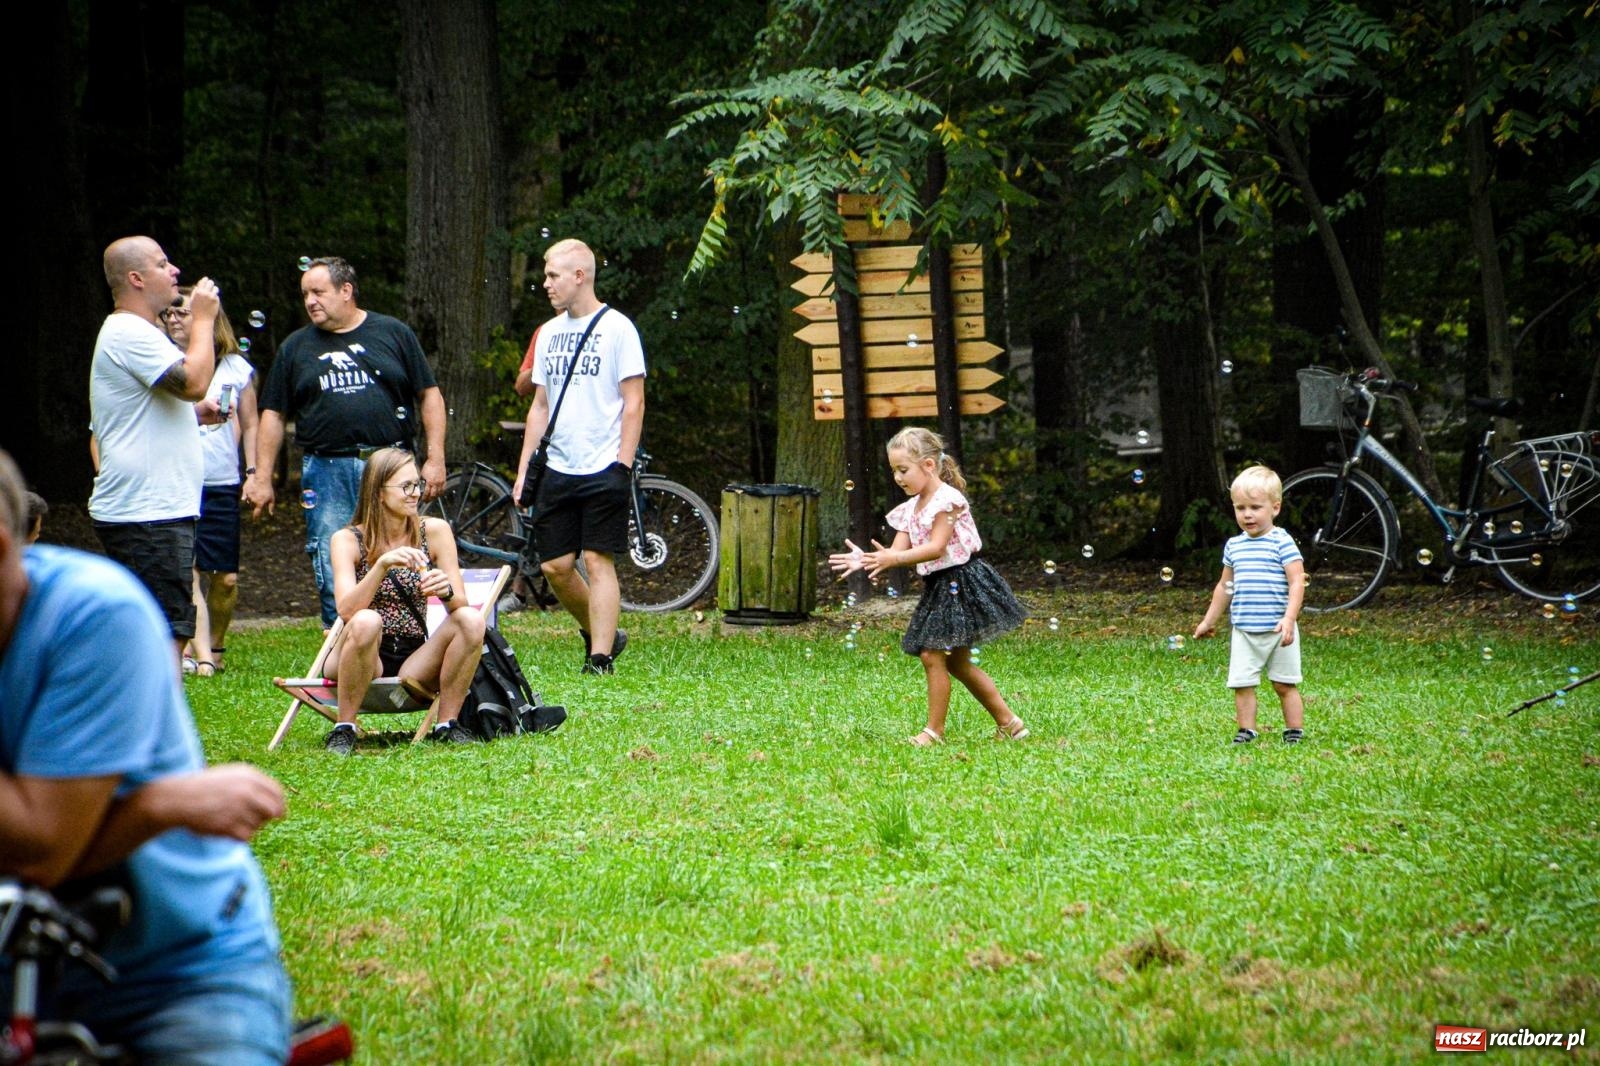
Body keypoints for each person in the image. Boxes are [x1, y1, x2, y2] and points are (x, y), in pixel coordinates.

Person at [0, 448, 292, 1064]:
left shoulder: (90, 614)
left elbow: (44, 849)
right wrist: (160, 803)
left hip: (173, 967)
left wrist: (154, 807)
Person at [244, 256, 446, 629]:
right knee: (329, 551)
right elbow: (273, 414)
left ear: (346, 291)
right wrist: (261, 476)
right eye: (305, 294)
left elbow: (429, 395)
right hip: (327, 469)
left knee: (407, 548)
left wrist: (435, 458)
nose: (310, 301)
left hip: (391, 465)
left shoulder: (394, 333)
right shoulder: (295, 348)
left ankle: (410, 634)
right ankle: (338, 636)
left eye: (318, 292)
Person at [828, 427, 1029, 745]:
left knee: (932, 655)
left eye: (903, 469)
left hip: (962, 581)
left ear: (929, 465)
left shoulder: (948, 501)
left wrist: (893, 561)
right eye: (894, 470)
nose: (897, 477)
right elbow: (895, 551)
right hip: (940, 585)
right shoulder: (910, 509)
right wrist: (866, 560)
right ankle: (1010, 723)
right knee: (958, 662)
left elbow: (936, 547)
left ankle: (933, 732)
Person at [511, 239, 645, 675]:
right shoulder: (548, 334)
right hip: (558, 466)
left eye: (553, 275)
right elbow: (540, 407)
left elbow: (634, 401)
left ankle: (600, 657)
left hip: (605, 463)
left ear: (579, 276)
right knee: (554, 565)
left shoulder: (618, 328)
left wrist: (622, 465)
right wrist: (523, 469)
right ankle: (603, 631)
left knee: (596, 559)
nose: (545, 283)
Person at [88, 236, 223, 662]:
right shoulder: (129, 331)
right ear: (136, 279)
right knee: (166, 630)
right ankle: (152, 723)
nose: (175, 271)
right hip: (146, 512)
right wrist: (203, 320)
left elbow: (172, 398)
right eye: (163, 264)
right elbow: (193, 382)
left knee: (167, 624)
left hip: (153, 509)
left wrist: (193, 414)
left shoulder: (137, 332)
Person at [321, 447, 485, 754]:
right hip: (361, 651)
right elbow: (345, 610)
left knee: (471, 619)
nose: (415, 494)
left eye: (417, 485)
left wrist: (446, 589)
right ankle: (344, 727)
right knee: (368, 619)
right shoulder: (347, 540)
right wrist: (381, 565)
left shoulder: (434, 531)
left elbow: (459, 602)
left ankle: (446, 724)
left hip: (413, 656)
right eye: (406, 486)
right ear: (378, 493)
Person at [164, 289, 258, 676]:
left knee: (226, 578)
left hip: (221, 481)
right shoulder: (162, 362)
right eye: (169, 313)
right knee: (189, 571)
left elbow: (250, 423)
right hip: (177, 479)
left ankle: (215, 645)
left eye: (182, 313)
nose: (173, 319)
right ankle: (199, 657)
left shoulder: (236, 367)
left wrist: (253, 473)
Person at [1194, 464, 1307, 743]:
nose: (1247, 514)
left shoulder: (1282, 542)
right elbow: (1224, 586)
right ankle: (1247, 730)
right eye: (1240, 507)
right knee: (1242, 684)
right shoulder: (1234, 545)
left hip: (1279, 630)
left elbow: (1297, 581)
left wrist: (1290, 618)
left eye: (1255, 507)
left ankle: (1294, 729)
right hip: (1244, 630)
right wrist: (1209, 620)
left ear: (1275, 508)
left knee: (1284, 683)